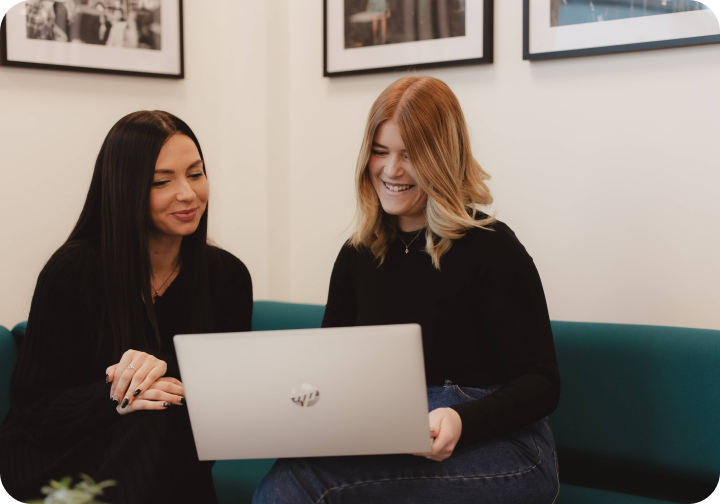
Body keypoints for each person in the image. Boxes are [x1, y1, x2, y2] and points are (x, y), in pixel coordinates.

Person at [253, 76, 560, 503]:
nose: (391, 170)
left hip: (508, 450)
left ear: (441, 159)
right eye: (380, 152)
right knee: (293, 472)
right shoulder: (357, 255)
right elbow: (329, 373)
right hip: (398, 439)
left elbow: (542, 382)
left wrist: (459, 419)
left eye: (410, 155)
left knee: (300, 484)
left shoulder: (492, 247)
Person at [0, 111, 253, 504]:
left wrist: (163, 369)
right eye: (161, 181)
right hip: (62, 454)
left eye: (196, 173)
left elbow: (230, 392)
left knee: (166, 411)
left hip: (171, 451)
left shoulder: (228, 277)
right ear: (125, 188)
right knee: (156, 411)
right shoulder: (73, 271)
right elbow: (35, 408)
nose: (188, 193)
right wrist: (121, 391)